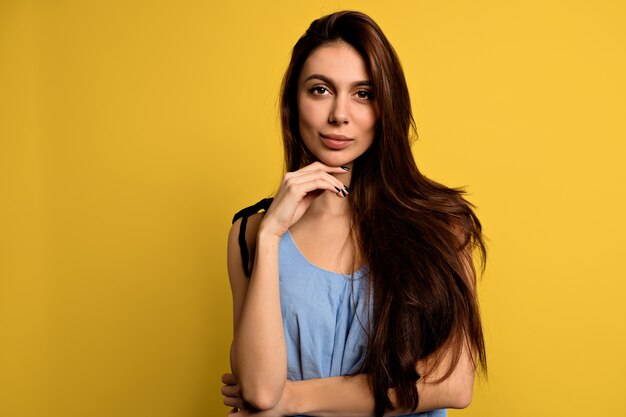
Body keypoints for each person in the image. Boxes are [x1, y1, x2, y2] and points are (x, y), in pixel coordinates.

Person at [221, 10, 487, 417]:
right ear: (294, 102)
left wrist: (292, 397)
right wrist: (272, 233)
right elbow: (258, 391)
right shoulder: (252, 232)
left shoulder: (442, 225)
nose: (339, 115)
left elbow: (453, 383)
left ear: (386, 108)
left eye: (363, 93)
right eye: (320, 90)